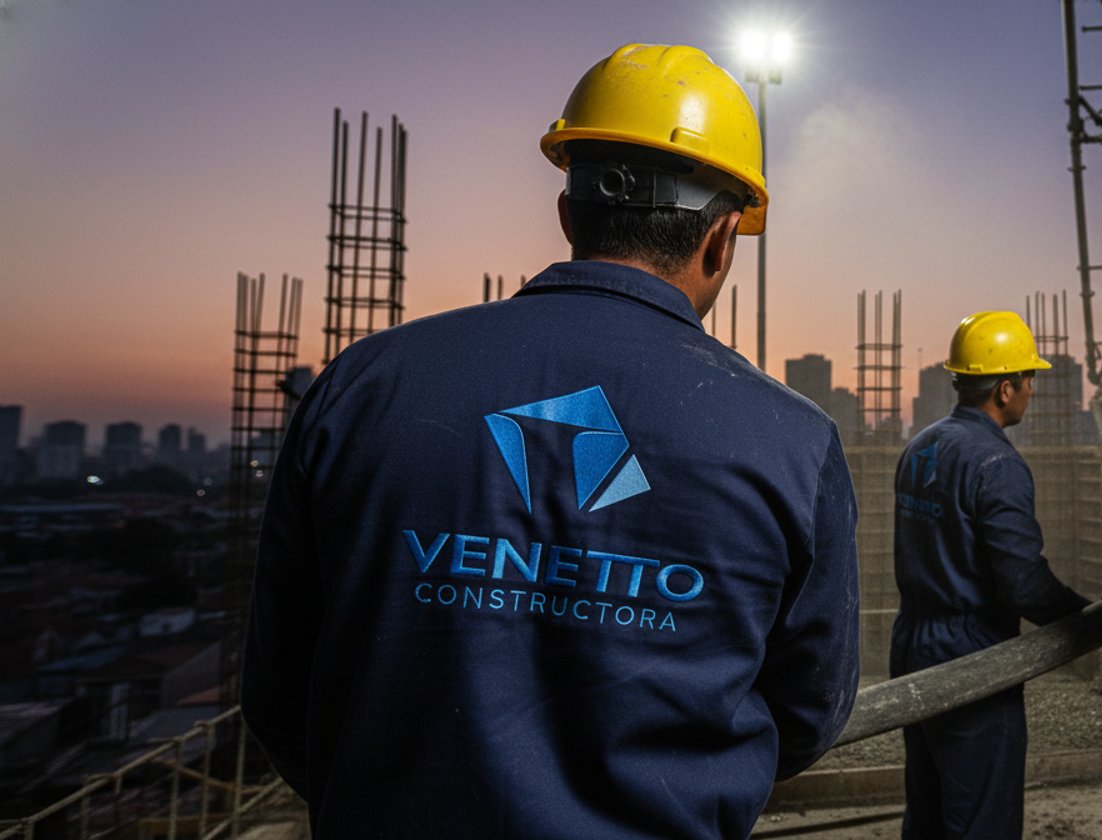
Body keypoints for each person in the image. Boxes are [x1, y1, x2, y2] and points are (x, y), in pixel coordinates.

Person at [242, 44, 860, 839]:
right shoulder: (791, 442)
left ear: (569, 213)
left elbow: (279, 687)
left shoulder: (364, 385)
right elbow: (807, 713)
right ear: (723, 238)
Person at [890, 311, 1094, 839]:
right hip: (972, 654)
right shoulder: (996, 463)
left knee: (930, 808)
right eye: (1029, 378)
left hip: (914, 641)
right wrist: (1087, 618)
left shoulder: (922, 446)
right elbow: (1023, 583)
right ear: (1005, 388)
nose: (1032, 389)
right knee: (982, 818)